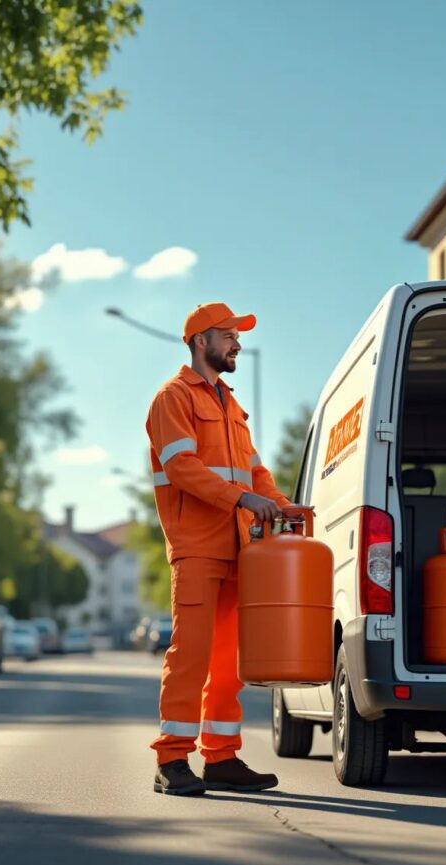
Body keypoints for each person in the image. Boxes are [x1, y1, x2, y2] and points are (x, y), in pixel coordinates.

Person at [146, 302, 293, 796]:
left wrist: (284, 506)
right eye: (228, 335)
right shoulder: (173, 398)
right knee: (190, 654)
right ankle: (171, 760)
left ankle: (222, 757)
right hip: (197, 547)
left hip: (239, 547)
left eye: (237, 335)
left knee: (229, 660)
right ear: (200, 340)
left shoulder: (231, 405)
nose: (237, 344)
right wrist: (244, 498)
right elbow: (183, 468)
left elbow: (255, 472)